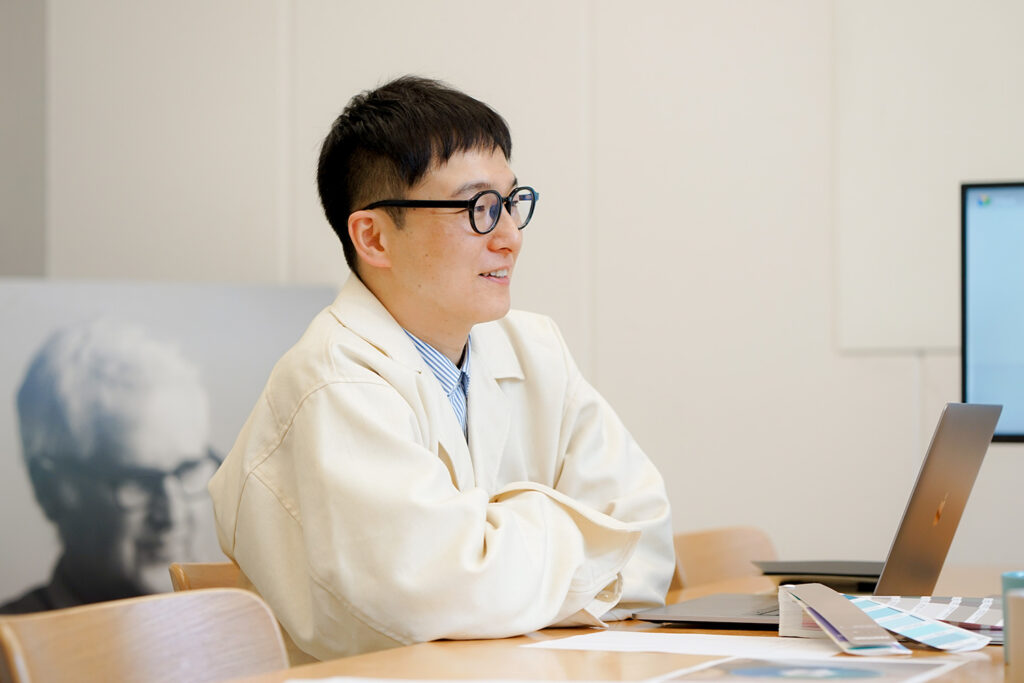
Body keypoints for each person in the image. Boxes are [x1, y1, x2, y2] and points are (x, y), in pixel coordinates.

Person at [208, 75, 674, 661]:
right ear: (374, 236)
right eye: (477, 207)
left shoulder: (534, 347)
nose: (509, 238)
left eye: (511, 202)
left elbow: (646, 539)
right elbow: (430, 597)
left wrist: (490, 545)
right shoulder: (333, 380)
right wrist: (571, 538)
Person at [0, 320, 216, 613]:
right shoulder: (10, 652)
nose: (173, 515)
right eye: (139, 482)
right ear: (50, 490)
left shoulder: (250, 632)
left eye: (188, 470)